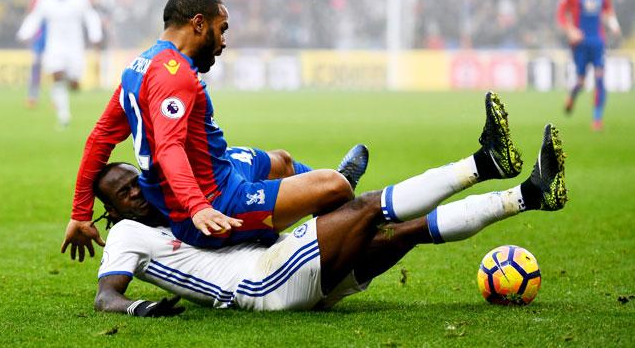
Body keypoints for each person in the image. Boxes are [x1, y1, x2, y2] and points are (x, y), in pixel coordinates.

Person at [92, 116, 567, 315]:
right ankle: (485, 162)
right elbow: (105, 296)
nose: (136, 192)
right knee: (367, 208)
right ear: (110, 211)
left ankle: (529, 194)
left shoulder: (183, 202)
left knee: (403, 233)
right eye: (123, 192)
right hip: (257, 286)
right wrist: (137, 306)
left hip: (279, 265)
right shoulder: (128, 234)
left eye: (136, 181)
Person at [62, 0, 379, 257]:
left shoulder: (141, 65)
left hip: (221, 168)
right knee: (333, 185)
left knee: (282, 160)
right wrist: (198, 207)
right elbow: (168, 148)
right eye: (222, 28)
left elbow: (100, 137)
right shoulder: (174, 75)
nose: (224, 41)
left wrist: (80, 214)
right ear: (199, 24)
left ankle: (337, 206)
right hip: (218, 199)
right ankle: (350, 217)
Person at [17, 0, 103, 127]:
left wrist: (95, 35)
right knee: (57, 76)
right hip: (55, 46)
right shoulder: (46, 1)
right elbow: (35, 18)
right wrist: (24, 33)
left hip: (75, 47)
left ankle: (73, 81)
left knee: (73, 83)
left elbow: (90, 17)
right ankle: (64, 117)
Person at [557, 0, 621, 131]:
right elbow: (561, 14)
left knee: (600, 76)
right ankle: (573, 93)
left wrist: (614, 24)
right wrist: (570, 31)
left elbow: (608, 10)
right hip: (580, 42)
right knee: (581, 80)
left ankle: (597, 119)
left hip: (598, 40)